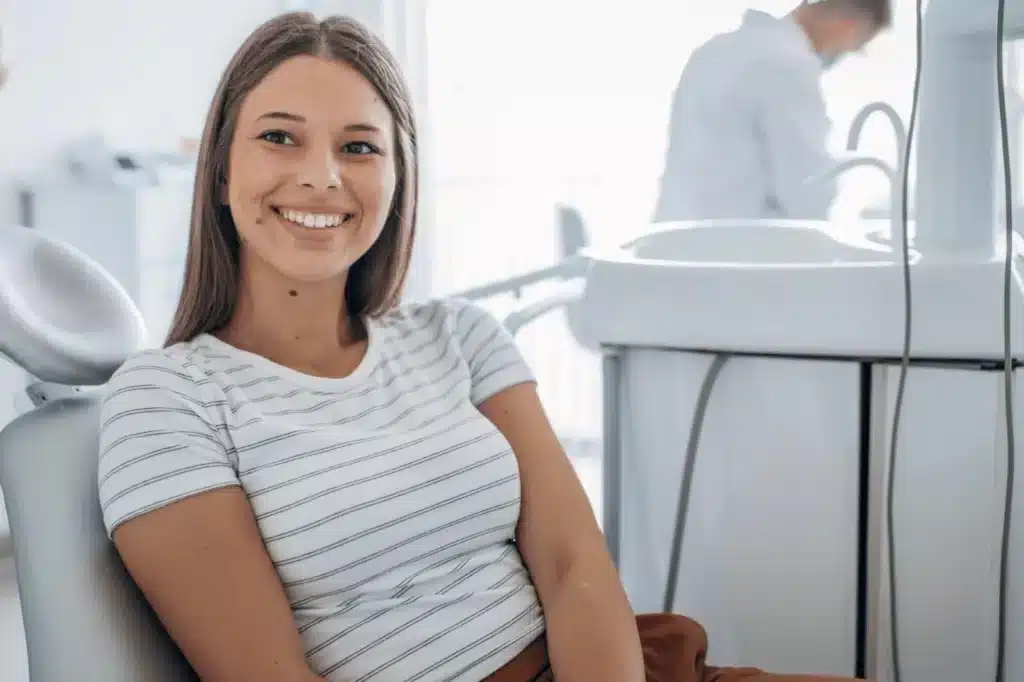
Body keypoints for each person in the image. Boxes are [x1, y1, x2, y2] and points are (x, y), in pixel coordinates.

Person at [96, 12, 863, 682]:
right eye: (278, 138)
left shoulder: (458, 335)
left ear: (399, 178)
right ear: (222, 165)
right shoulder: (166, 399)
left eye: (360, 147)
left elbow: (573, 568)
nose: (322, 176)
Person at [652, 0, 891, 223]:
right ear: (850, 26)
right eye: (858, 45)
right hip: (728, 253)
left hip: (670, 240)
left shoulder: (714, 50)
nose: (847, 53)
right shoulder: (788, 65)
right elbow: (808, 193)